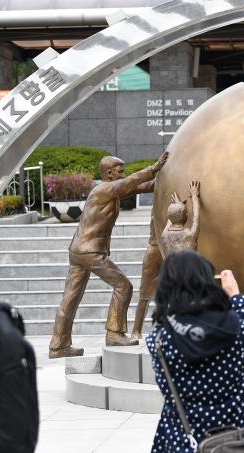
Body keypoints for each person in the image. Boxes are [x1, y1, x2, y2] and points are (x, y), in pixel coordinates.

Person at [146, 250, 244, 452]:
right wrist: (235, 296)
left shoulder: (160, 338)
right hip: (236, 438)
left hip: (181, 439)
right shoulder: (233, 328)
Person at [49, 152, 168, 358]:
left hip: (79, 250)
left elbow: (140, 186)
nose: (124, 174)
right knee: (124, 286)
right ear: (109, 173)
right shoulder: (104, 189)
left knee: (70, 299)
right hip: (90, 251)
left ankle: (58, 346)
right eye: (120, 171)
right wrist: (154, 167)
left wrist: (168, 180)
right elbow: (133, 181)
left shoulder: (110, 190)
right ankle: (114, 333)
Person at [161, 180, 201, 255]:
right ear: (186, 216)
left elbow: (170, 217)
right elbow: (196, 216)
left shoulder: (164, 235)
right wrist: (194, 196)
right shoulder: (190, 235)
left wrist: (177, 206)